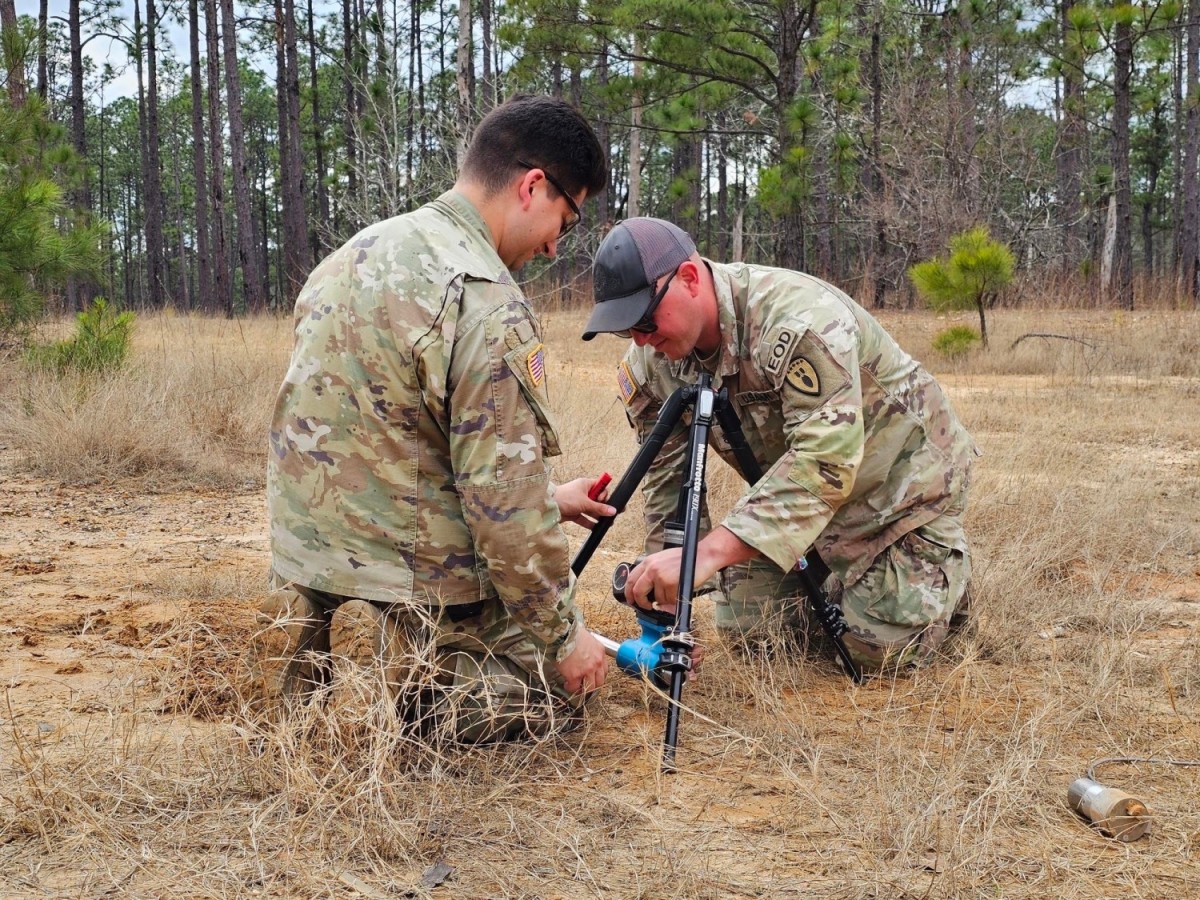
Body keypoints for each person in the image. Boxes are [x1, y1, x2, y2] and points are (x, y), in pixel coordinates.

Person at [252, 95, 615, 742]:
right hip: (409, 589)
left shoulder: (354, 254)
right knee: (551, 692)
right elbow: (502, 512)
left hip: (305, 566)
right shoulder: (484, 298)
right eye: (567, 217)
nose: (558, 245)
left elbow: (384, 441)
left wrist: (548, 497)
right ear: (533, 186)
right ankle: (400, 696)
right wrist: (566, 638)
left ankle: (327, 653)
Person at [581, 217, 979, 673]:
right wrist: (667, 595)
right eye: (626, 329)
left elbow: (824, 462)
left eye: (647, 320)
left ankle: (942, 577)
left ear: (689, 279)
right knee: (753, 635)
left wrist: (708, 555)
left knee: (871, 649)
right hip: (799, 505)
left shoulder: (797, 321)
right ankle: (845, 579)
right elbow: (668, 484)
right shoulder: (653, 365)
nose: (642, 341)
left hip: (899, 494)